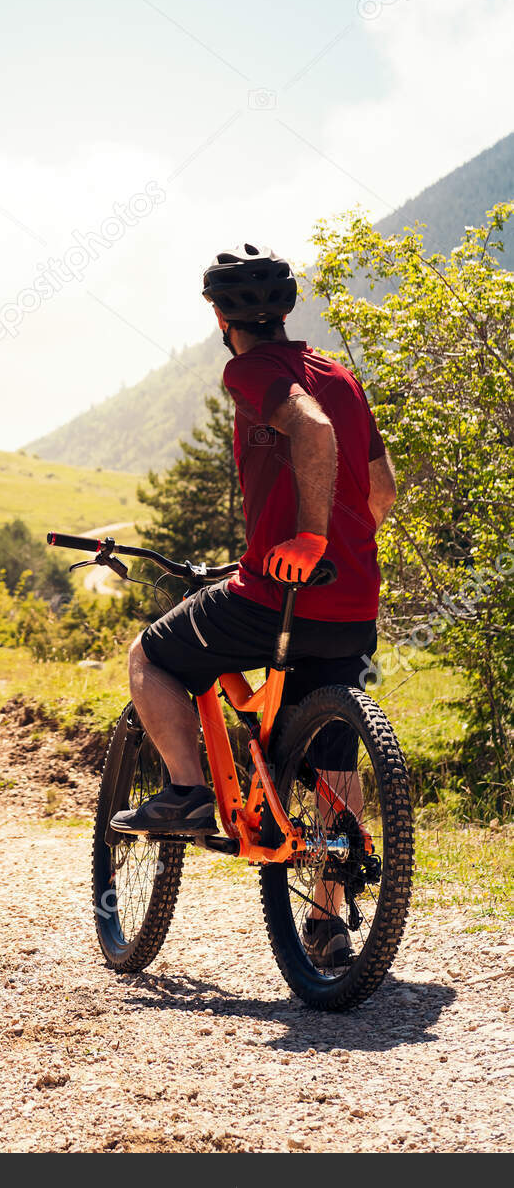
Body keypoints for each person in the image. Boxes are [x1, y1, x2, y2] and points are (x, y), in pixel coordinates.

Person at [110, 245, 398, 969]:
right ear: (290, 308)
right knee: (331, 750)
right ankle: (328, 921)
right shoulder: (339, 374)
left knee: (150, 654)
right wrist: (339, 551)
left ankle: (184, 791)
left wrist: (304, 536)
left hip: (275, 599)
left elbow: (311, 429)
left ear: (217, 316)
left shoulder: (251, 369)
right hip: (350, 601)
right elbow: (382, 490)